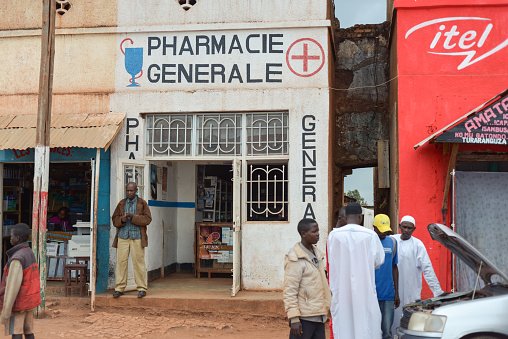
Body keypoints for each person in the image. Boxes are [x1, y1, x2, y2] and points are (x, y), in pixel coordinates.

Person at [327, 202, 385, 339]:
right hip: (365, 293)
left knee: (344, 326)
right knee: (366, 327)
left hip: (342, 292)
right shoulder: (370, 235)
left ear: (345, 217)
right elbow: (379, 261)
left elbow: (331, 261)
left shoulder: (333, 236)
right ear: (360, 216)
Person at [392, 215, 444, 334]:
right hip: (394, 290)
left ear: (414, 229)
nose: (406, 230)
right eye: (404, 227)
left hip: (412, 289)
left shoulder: (418, 245)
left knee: (410, 320)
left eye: (409, 228)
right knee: (393, 320)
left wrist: (438, 292)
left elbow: (427, 269)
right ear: (400, 226)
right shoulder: (392, 240)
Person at [283, 219, 331, 339]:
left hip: (319, 315)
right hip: (304, 318)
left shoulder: (317, 255)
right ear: (303, 234)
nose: (318, 234)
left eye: (318, 230)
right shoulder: (295, 258)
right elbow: (290, 290)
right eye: (314, 231)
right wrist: (293, 318)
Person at [0, 223, 41, 339]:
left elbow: (12, 287)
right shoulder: (29, 252)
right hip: (29, 300)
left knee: (16, 332)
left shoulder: (17, 258)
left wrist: (6, 311)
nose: (10, 238)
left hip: (18, 303)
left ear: (17, 238)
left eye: (11, 236)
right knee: (28, 331)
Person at [112, 182, 152, 298]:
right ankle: (119, 288)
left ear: (136, 191)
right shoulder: (121, 203)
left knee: (138, 263)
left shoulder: (142, 203)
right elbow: (114, 220)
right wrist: (122, 220)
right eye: (128, 191)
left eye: (132, 191)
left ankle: (142, 288)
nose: (129, 193)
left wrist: (133, 217)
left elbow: (148, 219)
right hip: (123, 237)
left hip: (137, 237)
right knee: (121, 263)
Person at [373, 214, 399, 339]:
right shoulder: (369, 242)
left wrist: (396, 293)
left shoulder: (392, 242)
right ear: (374, 228)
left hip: (388, 294)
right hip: (372, 294)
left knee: (387, 331)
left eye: (385, 231)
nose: (383, 234)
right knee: (373, 330)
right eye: (380, 231)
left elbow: (394, 267)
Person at [327, 205, 346, 339]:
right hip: (336, 285)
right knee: (336, 317)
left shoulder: (339, 236)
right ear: (340, 218)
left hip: (344, 285)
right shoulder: (334, 237)